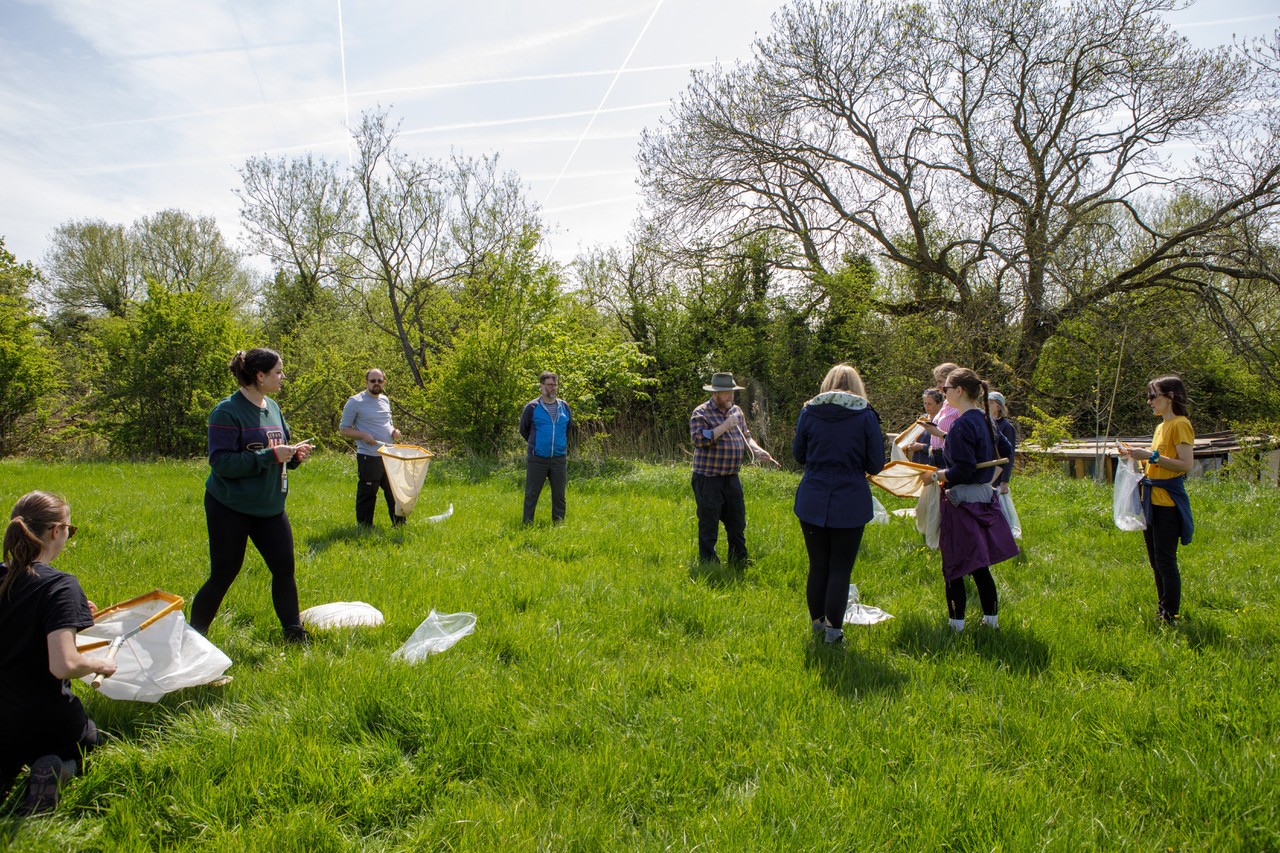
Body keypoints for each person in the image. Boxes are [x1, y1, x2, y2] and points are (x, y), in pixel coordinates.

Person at [1, 491, 117, 815]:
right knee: (93, 744)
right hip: (43, 719)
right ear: (56, 531)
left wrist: (74, 615)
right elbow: (64, 665)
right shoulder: (60, 585)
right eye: (70, 528)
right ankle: (58, 770)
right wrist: (99, 664)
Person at [190, 348, 313, 643]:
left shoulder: (273, 407)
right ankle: (193, 638)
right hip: (230, 506)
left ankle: (294, 634)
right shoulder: (227, 411)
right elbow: (221, 463)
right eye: (278, 372)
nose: (283, 377)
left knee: (284, 568)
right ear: (259, 376)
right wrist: (270, 456)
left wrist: (294, 456)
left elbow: (278, 452)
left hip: (269, 506)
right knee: (224, 573)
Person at [792, 364, 886, 644]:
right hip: (849, 496)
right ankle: (834, 632)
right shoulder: (865, 415)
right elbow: (876, 464)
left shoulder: (809, 411)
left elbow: (799, 455)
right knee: (840, 567)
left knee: (818, 564)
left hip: (813, 494)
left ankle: (818, 625)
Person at [923, 367, 1019, 632]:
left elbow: (963, 469)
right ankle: (991, 623)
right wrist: (988, 477)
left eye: (945, 390)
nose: (943, 394)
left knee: (954, 566)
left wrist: (936, 475)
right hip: (984, 498)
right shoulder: (985, 418)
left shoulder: (962, 424)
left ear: (959, 391)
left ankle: (956, 628)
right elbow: (1007, 452)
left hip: (962, 503)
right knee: (979, 565)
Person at [1119, 375, 1195, 624]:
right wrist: (1135, 455)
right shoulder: (1161, 426)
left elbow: (1185, 464)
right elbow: (1156, 463)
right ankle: (1163, 611)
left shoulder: (1180, 424)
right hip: (1151, 502)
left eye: (1153, 396)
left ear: (1170, 397)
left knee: (1165, 561)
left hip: (1168, 505)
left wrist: (1149, 456)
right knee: (1155, 561)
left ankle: (1170, 615)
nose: (1149, 401)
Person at [690, 372, 780, 564]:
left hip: (731, 477)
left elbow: (746, 436)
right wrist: (724, 426)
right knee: (709, 523)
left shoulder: (736, 411)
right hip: (708, 477)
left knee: (737, 522)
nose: (731, 396)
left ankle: (738, 559)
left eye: (732, 392)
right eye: (726, 393)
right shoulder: (701, 413)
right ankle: (709, 563)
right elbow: (698, 440)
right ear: (715, 394)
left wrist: (757, 451)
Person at [339, 368, 405, 528]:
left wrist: (394, 431)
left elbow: (387, 424)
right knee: (368, 493)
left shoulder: (385, 400)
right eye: (373, 381)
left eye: (379, 380)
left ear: (384, 382)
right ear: (366, 382)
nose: (376, 384)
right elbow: (344, 429)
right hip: (369, 456)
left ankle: (400, 526)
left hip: (389, 455)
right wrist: (362, 435)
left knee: (394, 492)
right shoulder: (355, 401)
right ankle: (365, 527)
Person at [519, 371, 573, 524]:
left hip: (559, 458)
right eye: (549, 385)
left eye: (555, 385)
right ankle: (527, 524)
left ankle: (559, 524)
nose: (553, 388)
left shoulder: (564, 407)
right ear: (541, 386)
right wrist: (536, 445)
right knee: (532, 494)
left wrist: (559, 446)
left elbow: (569, 428)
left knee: (559, 495)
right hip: (537, 458)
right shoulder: (532, 407)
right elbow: (524, 430)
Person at [920, 362, 961, 468]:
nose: (937, 387)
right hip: (936, 457)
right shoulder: (946, 403)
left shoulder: (959, 406)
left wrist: (939, 433)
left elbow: (962, 439)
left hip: (949, 459)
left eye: (940, 382)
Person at [987, 391, 1017, 495]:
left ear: (999, 407)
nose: (987, 405)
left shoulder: (1007, 427)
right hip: (985, 469)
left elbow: (1009, 455)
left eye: (991, 403)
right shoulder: (984, 423)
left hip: (998, 472)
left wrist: (1005, 481)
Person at [905, 389, 944, 464]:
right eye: (925, 403)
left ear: (939, 404)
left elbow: (943, 444)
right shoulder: (922, 418)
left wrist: (922, 447)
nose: (926, 406)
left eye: (929, 404)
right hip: (917, 462)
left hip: (933, 464)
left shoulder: (942, 422)